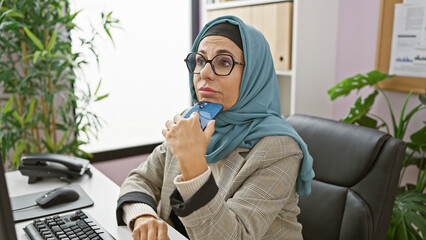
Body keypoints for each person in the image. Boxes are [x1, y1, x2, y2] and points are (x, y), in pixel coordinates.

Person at [116, 15, 314, 240]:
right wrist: (143, 217)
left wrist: (193, 164)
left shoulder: (278, 148)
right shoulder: (190, 121)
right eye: (200, 61)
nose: (204, 73)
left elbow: (235, 236)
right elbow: (140, 179)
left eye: (224, 62)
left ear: (252, 74)